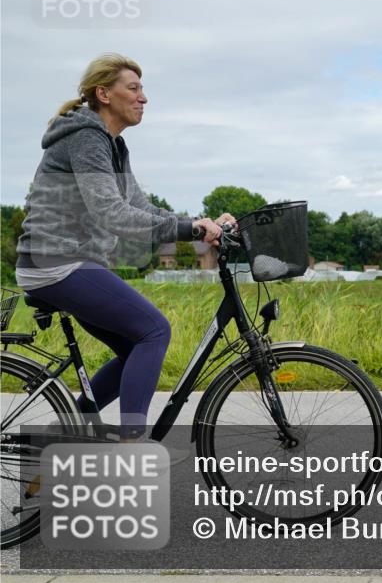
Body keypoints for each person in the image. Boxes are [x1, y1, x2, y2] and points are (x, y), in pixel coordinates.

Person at [14, 53, 234, 440]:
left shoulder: (114, 145)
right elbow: (112, 213)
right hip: (56, 262)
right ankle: (133, 444)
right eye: (133, 88)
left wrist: (201, 223)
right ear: (104, 94)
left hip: (71, 262)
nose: (143, 97)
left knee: (137, 343)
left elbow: (140, 207)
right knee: (154, 331)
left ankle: (65, 433)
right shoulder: (86, 137)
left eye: (142, 89)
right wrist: (191, 230)